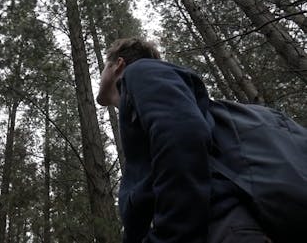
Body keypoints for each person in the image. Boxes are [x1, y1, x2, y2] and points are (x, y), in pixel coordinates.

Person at [96, 37, 274, 243]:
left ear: (118, 64)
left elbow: (183, 138)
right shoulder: (138, 109)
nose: (100, 76)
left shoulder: (142, 71)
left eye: (103, 67)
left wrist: (172, 233)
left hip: (216, 226)